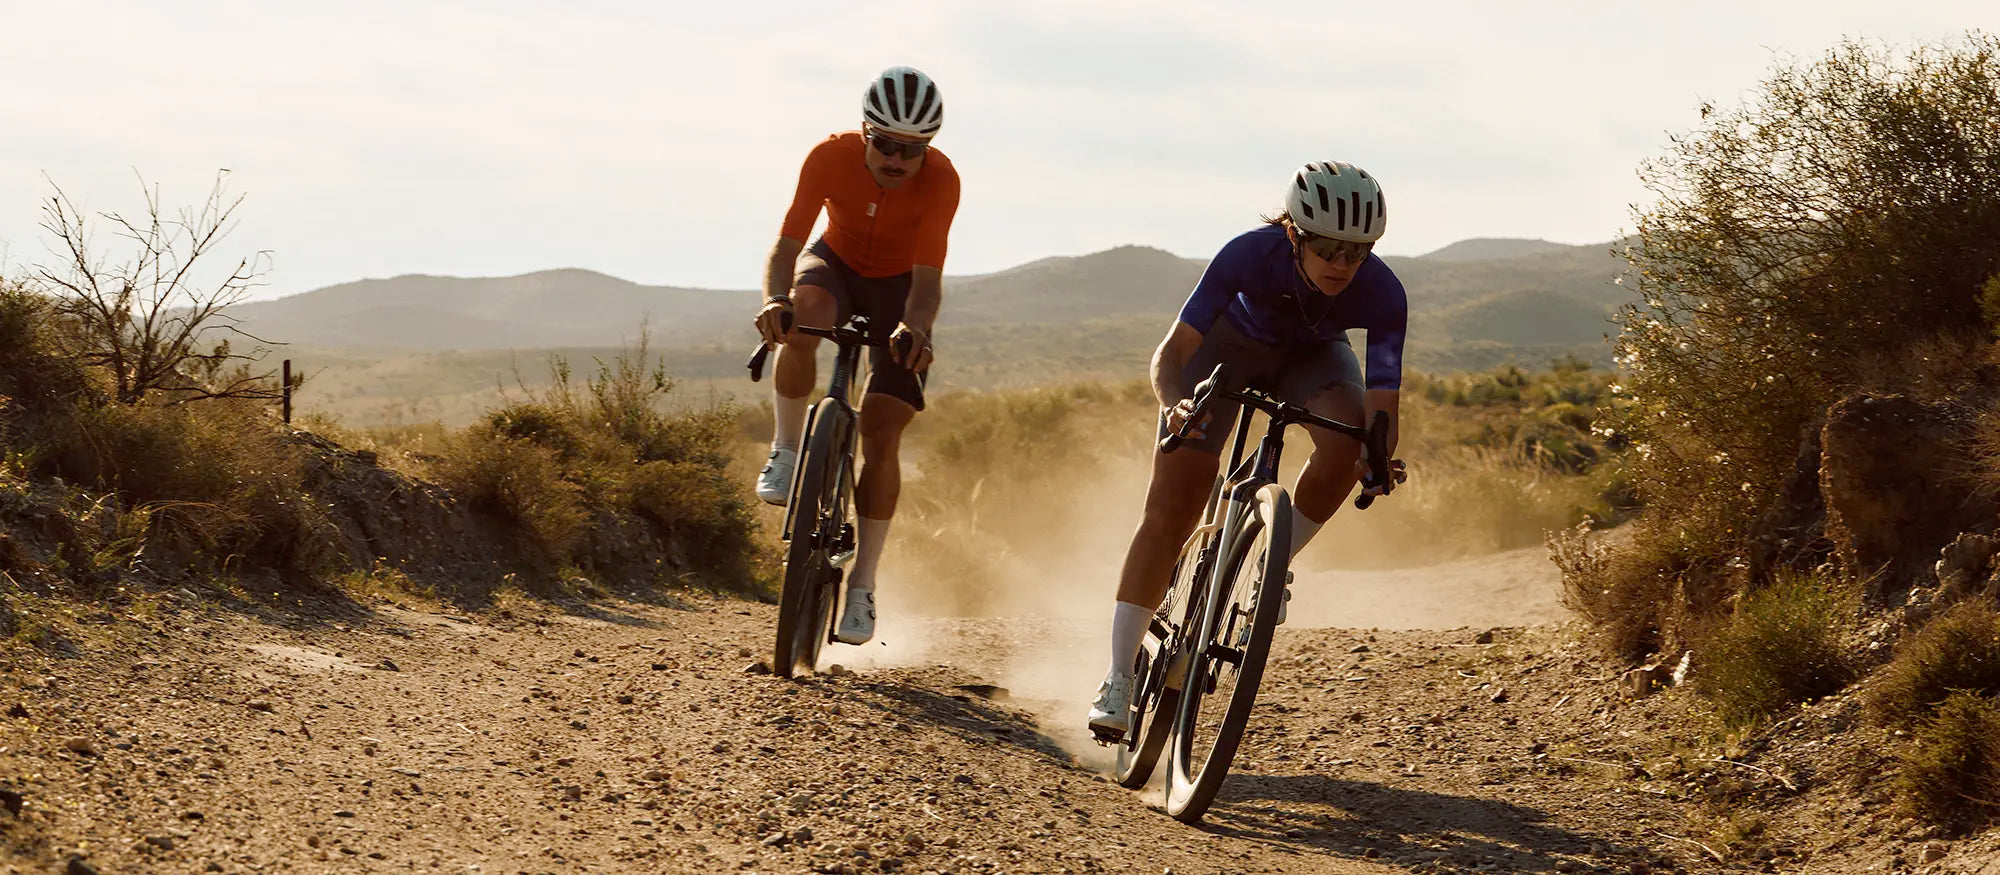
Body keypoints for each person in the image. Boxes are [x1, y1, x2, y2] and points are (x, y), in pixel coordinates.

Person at [1086, 162, 1406, 739]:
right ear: (1294, 233)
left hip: (1313, 357)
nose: (1341, 264)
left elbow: (1383, 405)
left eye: (1358, 251)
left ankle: (1272, 563)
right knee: (1171, 509)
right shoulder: (1248, 254)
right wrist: (1176, 405)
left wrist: (1377, 456)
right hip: (1226, 348)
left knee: (1348, 439)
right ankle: (1118, 677)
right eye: (1328, 248)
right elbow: (1170, 354)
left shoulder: (1384, 292)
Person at [751, 66, 961, 646]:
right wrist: (774, 299)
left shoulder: (942, 180)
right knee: (805, 310)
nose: (896, 160)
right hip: (836, 263)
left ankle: (863, 585)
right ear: (865, 132)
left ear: (928, 148)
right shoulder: (829, 156)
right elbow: (788, 244)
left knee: (883, 433)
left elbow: (927, 281)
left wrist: (915, 329)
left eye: (912, 150)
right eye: (885, 144)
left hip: (899, 287)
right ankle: (787, 450)